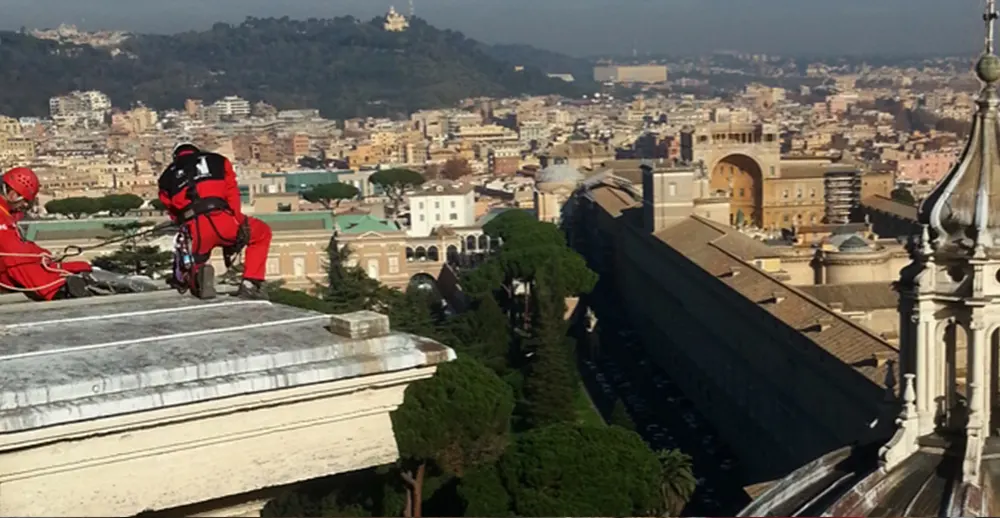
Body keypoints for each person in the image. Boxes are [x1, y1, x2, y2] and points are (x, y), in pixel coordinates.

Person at [157, 143, 272, 300]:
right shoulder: (219, 161)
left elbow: (172, 211)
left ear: (175, 157)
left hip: (196, 228)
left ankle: (194, 277)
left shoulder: (165, 178)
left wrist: (183, 223)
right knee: (262, 233)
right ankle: (251, 282)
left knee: (190, 253)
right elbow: (232, 192)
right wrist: (236, 219)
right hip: (224, 219)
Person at [0, 167, 93, 300]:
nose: (26, 205)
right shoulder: (2, 217)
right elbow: (14, 256)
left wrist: (47, 258)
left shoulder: (5, 213)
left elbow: (21, 249)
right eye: (25, 200)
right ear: (13, 195)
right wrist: (55, 287)